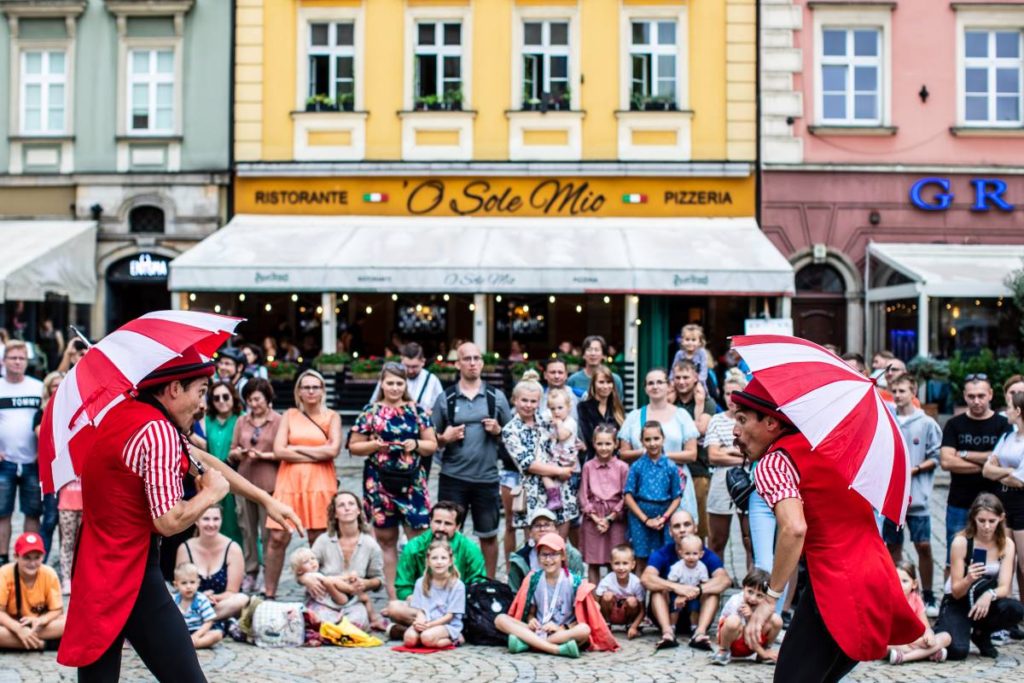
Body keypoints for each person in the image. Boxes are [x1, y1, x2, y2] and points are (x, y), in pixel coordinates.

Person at [57, 347, 303, 680]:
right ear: (174, 389)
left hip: (99, 565)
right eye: (200, 391)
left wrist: (265, 499)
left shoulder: (126, 414)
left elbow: (205, 461)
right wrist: (212, 495)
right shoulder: (157, 431)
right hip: (131, 569)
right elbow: (169, 520)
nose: (203, 404)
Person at [732, 377, 923, 680]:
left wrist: (770, 600)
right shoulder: (831, 447)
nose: (735, 431)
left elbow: (793, 529)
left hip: (837, 584)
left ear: (771, 422)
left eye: (742, 420)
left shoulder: (774, 463)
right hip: (876, 576)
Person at [350, 362, 437, 599]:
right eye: (390, 382)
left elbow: (432, 445)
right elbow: (354, 446)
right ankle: (394, 597)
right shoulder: (371, 411)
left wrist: (416, 444)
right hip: (379, 483)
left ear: (405, 385)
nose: (395, 388)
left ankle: (422, 593)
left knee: (418, 542)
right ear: (382, 383)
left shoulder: (417, 410)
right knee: (387, 542)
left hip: (412, 484)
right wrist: (373, 445)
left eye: (400, 383)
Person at [431, 342, 511, 577]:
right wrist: (445, 438)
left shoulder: (495, 397)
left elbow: (514, 435)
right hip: (452, 477)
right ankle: (447, 579)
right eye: (467, 359)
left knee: (488, 535)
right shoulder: (446, 398)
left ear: (483, 363)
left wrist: (498, 431)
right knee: (447, 534)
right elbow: (428, 440)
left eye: (477, 358)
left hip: (486, 478)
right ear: (458, 364)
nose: (473, 363)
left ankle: (488, 583)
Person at [263, 369, 342, 600]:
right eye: (306, 387)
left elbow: (333, 450)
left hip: (320, 481)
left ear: (322, 390)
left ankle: (320, 592)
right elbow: (279, 450)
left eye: (315, 386)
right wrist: (317, 453)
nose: (310, 391)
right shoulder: (289, 415)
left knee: (318, 538)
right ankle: (269, 593)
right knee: (278, 537)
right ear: (298, 391)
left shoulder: (332, 417)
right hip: (289, 480)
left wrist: (295, 449)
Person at [933, 493, 1024, 660]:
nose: (987, 527)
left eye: (992, 521)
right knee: (957, 651)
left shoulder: (1006, 544)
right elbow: (956, 591)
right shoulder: (961, 542)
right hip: (958, 600)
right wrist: (969, 578)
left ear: (1001, 518)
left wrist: (989, 595)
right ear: (973, 518)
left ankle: (982, 633)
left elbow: (1004, 587)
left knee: (1015, 609)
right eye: (981, 521)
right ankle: (946, 626)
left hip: (984, 598)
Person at [497, 532, 617, 657]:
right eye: (544, 555)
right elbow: (531, 612)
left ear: (563, 556)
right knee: (500, 619)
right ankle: (556, 649)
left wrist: (562, 628)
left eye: (553, 554)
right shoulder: (534, 579)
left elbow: (582, 616)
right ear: (538, 557)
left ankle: (528, 643)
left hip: (561, 633)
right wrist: (531, 620)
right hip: (539, 630)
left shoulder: (574, 582)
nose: (548, 560)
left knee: (584, 630)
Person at [883, 373, 942, 616]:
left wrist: (914, 469)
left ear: (913, 393)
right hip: (892, 498)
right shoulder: (888, 418)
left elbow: (936, 456)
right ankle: (893, 591)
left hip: (917, 497)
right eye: (894, 391)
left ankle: (927, 592)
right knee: (892, 546)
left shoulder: (926, 423)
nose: (897, 396)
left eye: (902, 391)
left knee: (924, 545)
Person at [386, 502, 486, 637]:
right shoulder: (414, 546)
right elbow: (403, 586)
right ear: (430, 521)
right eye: (437, 522)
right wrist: (415, 601)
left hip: (455, 608)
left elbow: (479, 584)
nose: (441, 528)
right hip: (424, 608)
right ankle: (433, 631)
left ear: (458, 526)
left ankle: (413, 631)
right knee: (394, 608)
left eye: (448, 524)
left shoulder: (470, 548)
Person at [940, 375, 1007, 570]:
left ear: (991, 395)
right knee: (953, 558)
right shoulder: (954, 424)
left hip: (994, 503)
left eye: (981, 395)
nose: (976, 401)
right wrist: (987, 466)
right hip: (959, 502)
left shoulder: (1002, 425)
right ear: (964, 396)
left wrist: (964, 453)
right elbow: (946, 461)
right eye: (971, 396)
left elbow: (1003, 459)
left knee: (993, 557)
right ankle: (950, 599)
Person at [618, 368, 699, 522]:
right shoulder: (635, 417)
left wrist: (661, 456)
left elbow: (692, 453)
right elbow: (623, 454)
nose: (655, 386)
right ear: (645, 388)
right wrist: (645, 453)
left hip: (675, 481)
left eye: (660, 382)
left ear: (669, 386)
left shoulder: (681, 415)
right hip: (644, 486)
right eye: (650, 383)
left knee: (679, 531)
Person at [642, 510, 730, 651]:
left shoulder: (705, 554)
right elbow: (646, 578)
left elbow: (724, 580)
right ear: (670, 532)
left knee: (713, 592)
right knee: (657, 591)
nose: (682, 530)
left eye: (687, 524)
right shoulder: (662, 553)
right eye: (677, 526)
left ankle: (699, 634)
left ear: (695, 528)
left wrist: (698, 590)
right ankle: (667, 634)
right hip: (669, 611)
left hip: (697, 612)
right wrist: (675, 587)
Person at [298, 491, 385, 632]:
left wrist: (366, 583)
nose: (347, 508)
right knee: (318, 623)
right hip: (324, 599)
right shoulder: (323, 541)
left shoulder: (370, 544)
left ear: (358, 511)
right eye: (341, 505)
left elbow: (379, 580)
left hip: (353, 601)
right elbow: (303, 569)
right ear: (335, 514)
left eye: (351, 504)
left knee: (356, 625)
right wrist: (305, 578)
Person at [502, 373, 577, 535]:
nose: (528, 405)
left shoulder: (546, 419)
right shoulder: (510, 430)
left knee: (560, 542)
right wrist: (561, 471)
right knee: (537, 546)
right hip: (534, 493)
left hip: (560, 486)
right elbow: (528, 464)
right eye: (524, 400)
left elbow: (564, 439)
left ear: (539, 402)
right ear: (515, 400)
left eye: (533, 401)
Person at [228, 378, 281, 593]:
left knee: (268, 533)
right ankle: (250, 571)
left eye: (257, 399)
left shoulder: (278, 420)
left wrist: (264, 455)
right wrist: (238, 453)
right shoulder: (242, 421)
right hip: (244, 481)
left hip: (268, 484)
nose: (253, 403)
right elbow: (232, 451)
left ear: (267, 398)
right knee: (247, 530)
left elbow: (282, 452)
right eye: (250, 399)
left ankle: (268, 572)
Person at [369, 343, 444, 477]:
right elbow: (374, 403)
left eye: (414, 367)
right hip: (389, 442)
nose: (410, 370)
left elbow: (442, 409)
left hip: (420, 441)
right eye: (407, 366)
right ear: (402, 360)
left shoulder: (432, 380)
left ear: (423, 362)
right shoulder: (391, 378)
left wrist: (428, 413)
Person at [0, 341, 44, 565]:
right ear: (3, 361)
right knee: (2, 512)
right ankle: (2, 558)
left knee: (33, 511)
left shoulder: (37, 387)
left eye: (22, 358)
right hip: (4, 460)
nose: (18, 362)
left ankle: (29, 553)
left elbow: (47, 418)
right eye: (13, 358)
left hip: (33, 460)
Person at [704, 373, 753, 569]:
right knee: (717, 539)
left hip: (748, 479)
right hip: (721, 479)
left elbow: (754, 455)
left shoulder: (751, 420)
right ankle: (716, 581)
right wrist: (739, 454)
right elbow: (713, 456)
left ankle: (750, 586)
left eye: (735, 393)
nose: (731, 399)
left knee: (749, 540)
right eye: (726, 394)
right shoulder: (716, 420)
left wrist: (727, 451)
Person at [175, 505, 249, 622]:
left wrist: (210, 598)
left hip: (221, 604)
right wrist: (199, 598)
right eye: (206, 519)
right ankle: (202, 619)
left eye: (216, 519)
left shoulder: (233, 549)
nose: (211, 524)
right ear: (197, 521)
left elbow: (232, 592)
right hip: (190, 601)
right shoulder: (185, 548)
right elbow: (180, 585)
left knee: (242, 599)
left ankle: (195, 619)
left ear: (221, 520)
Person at [623, 421, 681, 568]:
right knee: (641, 557)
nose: (652, 443)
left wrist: (665, 517)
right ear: (642, 441)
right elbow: (628, 495)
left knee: (666, 556)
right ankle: (639, 590)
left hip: (664, 517)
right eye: (647, 439)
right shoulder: (637, 466)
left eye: (656, 438)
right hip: (640, 518)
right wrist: (646, 519)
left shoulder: (670, 466)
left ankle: (663, 589)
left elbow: (676, 496)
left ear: (663, 439)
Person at [983, 390, 1024, 595]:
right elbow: (987, 469)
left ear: (1018, 411)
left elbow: (1020, 481)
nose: (1005, 412)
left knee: (1023, 567)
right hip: (1004, 501)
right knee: (1004, 559)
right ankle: (1006, 612)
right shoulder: (1008, 436)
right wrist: (1008, 471)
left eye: (1008, 408)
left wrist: (1002, 472)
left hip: (1021, 504)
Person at [671, 359, 717, 541]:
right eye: (677, 377)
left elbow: (700, 429)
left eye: (686, 377)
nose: (681, 381)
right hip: (672, 469)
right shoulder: (670, 402)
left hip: (698, 470)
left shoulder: (706, 402)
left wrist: (697, 407)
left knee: (697, 526)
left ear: (696, 377)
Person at [578, 425, 628, 585]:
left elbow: (626, 496)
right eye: (600, 444)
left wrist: (610, 518)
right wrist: (595, 518)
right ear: (593, 444)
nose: (604, 448)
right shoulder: (588, 466)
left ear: (615, 444)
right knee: (594, 561)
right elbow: (583, 495)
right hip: (593, 519)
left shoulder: (622, 467)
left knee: (614, 559)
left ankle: (611, 599)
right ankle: (594, 601)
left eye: (608, 444)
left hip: (615, 518)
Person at [0, 531, 65, 650]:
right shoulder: (4, 573)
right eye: (27, 558)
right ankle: (43, 645)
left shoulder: (49, 574)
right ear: (16, 557)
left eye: (37, 558)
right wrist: (18, 629)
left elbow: (57, 610)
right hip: (12, 624)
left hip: (39, 625)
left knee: (69, 623)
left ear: (43, 557)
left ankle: (17, 642)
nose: (32, 563)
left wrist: (41, 620)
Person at [710, 568, 782, 666]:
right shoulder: (737, 601)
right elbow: (747, 632)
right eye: (750, 592)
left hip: (755, 642)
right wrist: (762, 652)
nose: (753, 599)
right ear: (743, 587)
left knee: (776, 620)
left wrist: (752, 616)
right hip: (734, 642)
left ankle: (766, 649)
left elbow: (765, 625)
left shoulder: (765, 605)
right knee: (733, 621)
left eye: (759, 595)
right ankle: (724, 651)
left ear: (766, 596)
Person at [403, 538, 466, 649]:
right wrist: (420, 621)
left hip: (447, 624)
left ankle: (455, 639)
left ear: (450, 561)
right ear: (428, 561)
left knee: (427, 638)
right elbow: (420, 609)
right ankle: (426, 637)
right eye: (434, 558)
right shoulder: (420, 582)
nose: (439, 562)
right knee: (409, 640)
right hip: (428, 622)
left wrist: (430, 625)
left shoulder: (457, 585)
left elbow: (450, 616)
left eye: (443, 558)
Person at [32, 371, 65, 569]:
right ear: (48, 389)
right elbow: (44, 438)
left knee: (70, 520)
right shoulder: (41, 412)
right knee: (51, 517)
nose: (59, 389)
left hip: (72, 474)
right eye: (55, 385)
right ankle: (39, 560)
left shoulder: (72, 410)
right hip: (51, 472)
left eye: (62, 384)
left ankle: (66, 563)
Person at [508, 508, 586, 592]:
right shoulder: (519, 560)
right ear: (530, 532)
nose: (542, 529)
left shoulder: (572, 555)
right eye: (537, 526)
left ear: (556, 530)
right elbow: (514, 593)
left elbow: (579, 589)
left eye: (547, 525)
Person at [887, 561, 950, 664]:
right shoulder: (889, 600)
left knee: (946, 637)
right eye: (896, 581)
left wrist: (929, 635)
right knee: (886, 646)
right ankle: (930, 653)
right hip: (898, 641)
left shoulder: (916, 599)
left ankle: (904, 657)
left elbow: (926, 627)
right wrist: (917, 642)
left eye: (904, 581)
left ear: (914, 584)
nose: (900, 585)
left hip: (916, 641)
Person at [203, 381, 243, 545]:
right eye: (216, 397)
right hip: (211, 479)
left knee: (238, 523)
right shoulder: (207, 421)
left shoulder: (241, 419)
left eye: (225, 396)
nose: (221, 401)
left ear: (233, 397)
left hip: (236, 478)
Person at [575, 365, 625, 464]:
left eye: (609, 382)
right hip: (592, 462)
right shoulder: (583, 407)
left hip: (615, 464)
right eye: (601, 382)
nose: (605, 386)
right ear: (593, 384)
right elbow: (588, 438)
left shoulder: (617, 408)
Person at [594, 544, 645, 639]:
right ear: (611, 564)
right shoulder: (608, 580)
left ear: (633, 565)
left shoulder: (636, 583)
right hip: (611, 613)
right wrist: (597, 622)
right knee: (607, 596)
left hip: (628, 614)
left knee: (632, 601)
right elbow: (595, 602)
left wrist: (634, 627)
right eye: (617, 563)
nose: (621, 568)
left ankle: (629, 625)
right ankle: (606, 623)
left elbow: (643, 610)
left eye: (625, 563)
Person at [542, 388, 579, 511]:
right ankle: (554, 497)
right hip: (555, 457)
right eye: (552, 409)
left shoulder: (570, 422)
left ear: (568, 407)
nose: (556, 412)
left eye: (560, 408)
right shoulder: (552, 421)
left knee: (551, 475)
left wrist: (558, 424)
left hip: (566, 458)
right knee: (545, 475)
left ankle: (556, 498)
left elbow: (562, 436)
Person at [171, 563, 223, 650]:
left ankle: (189, 645)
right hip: (180, 633)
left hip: (198, 632)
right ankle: (185, 644)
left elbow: (209, 621)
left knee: (217, 634)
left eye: (192, 582)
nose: (189, 586)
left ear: (198, 583)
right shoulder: (173, 600)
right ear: (176, 585)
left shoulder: (201, 599)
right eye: (184, 583)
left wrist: (196, 635)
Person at [670, 324, 710, 390]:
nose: (690, 342)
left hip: (698, 383)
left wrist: (699, 381)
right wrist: (671, 380)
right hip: (681, 383)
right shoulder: (679, 354)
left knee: (699, 393)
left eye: (693, 340)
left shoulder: (702, 353)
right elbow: (673, 369)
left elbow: (704, 370)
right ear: (682, 341)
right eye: (687, 339)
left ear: (699, 342)